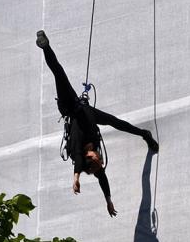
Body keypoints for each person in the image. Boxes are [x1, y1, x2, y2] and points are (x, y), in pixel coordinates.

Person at [36, 30, 158, 217]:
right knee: (115, 122)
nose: (100, 160)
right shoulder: (96, 162)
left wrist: (76, 178)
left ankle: (45, 46)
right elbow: (102, 178)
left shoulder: (79, 147)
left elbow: (77, 159)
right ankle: (145, 134)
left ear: (88, 157)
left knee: (59, 74)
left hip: (71, 106)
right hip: (89, 113)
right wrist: (108, 200)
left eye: (96, 161)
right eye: (100, 162)